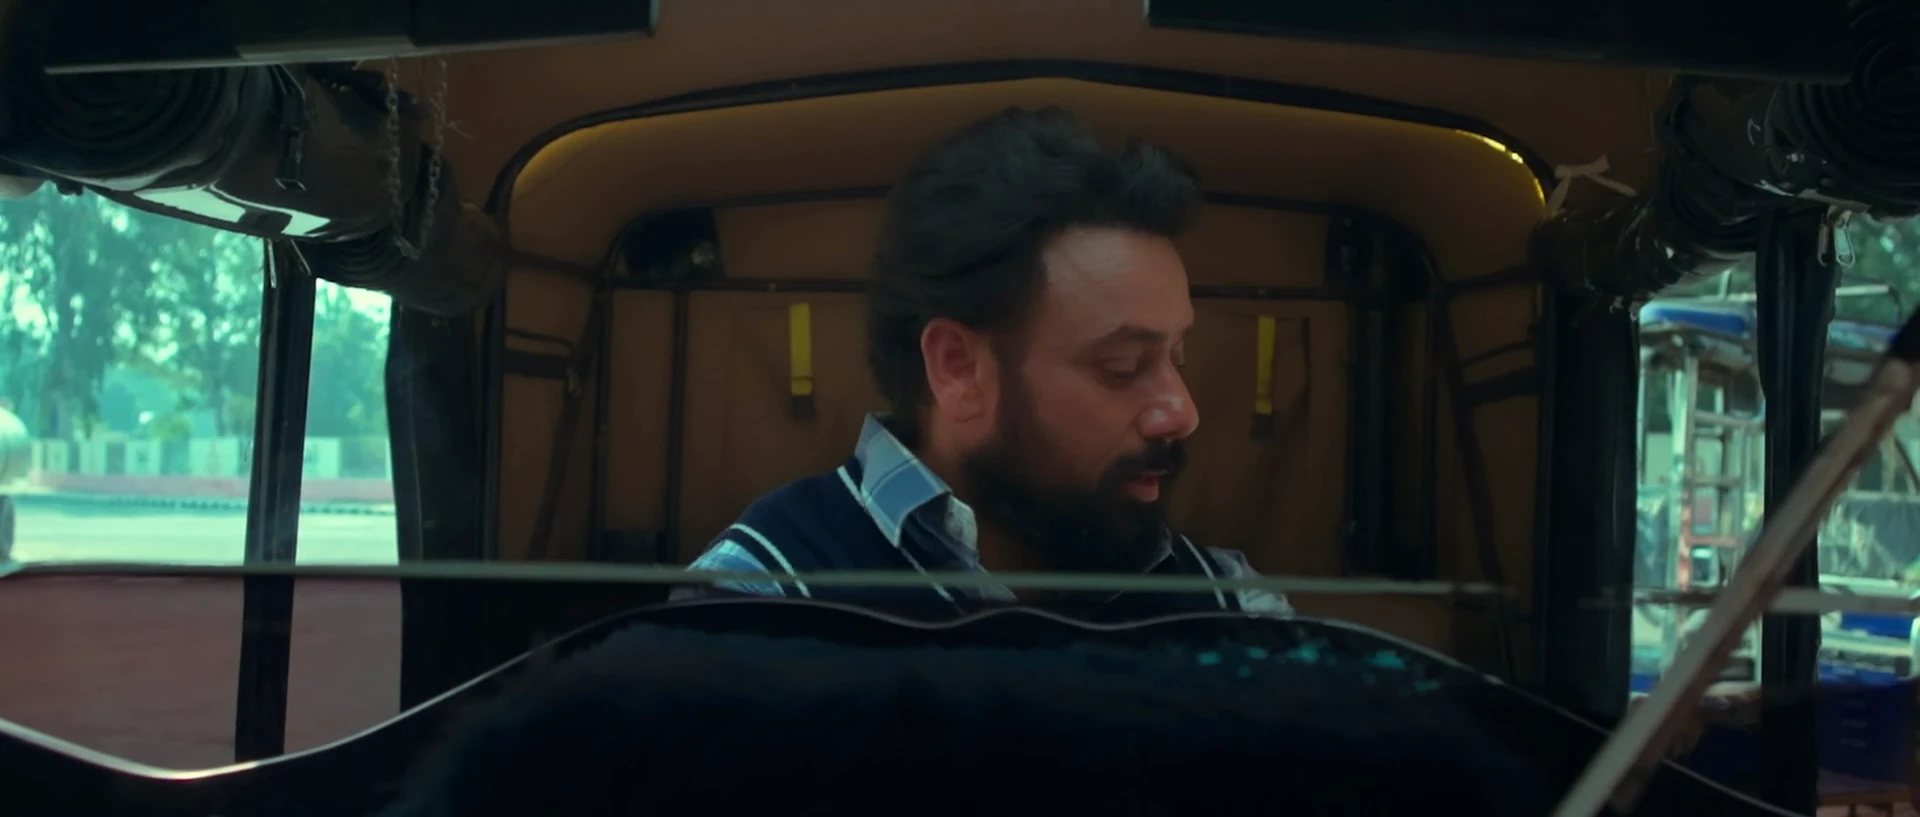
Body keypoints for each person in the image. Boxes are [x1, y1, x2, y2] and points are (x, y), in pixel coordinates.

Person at [671, 107, 1291, 620]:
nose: (1182, 413)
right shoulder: (758, 601)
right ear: (957, 368)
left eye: (1178, 357)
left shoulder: (1232, 609)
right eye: (1123, 366)